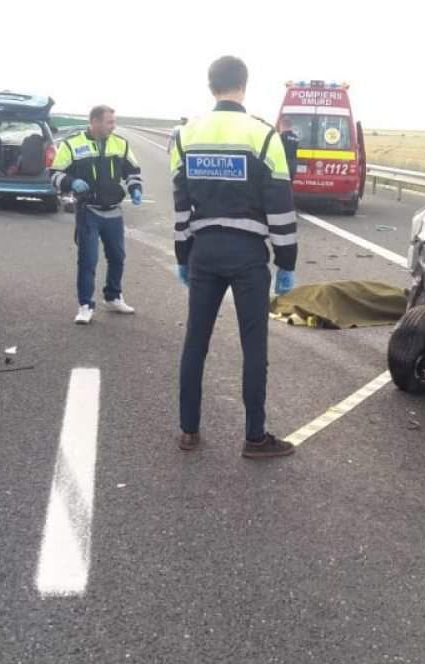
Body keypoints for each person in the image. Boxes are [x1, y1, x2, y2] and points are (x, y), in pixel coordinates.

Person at [171, 56, 298, 459]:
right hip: (247, 255)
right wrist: (286, 262)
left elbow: (180, 206)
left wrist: (183, 254)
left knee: (195, 343)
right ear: (244, 85)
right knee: (253, 347)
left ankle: (189, 431)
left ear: (211, 86)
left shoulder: (185, 135)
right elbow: (281, 207)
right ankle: (254, 438)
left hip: (204, 251)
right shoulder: (263, 136)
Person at [49, 105, 143, 325]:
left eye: (114, 122)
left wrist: (135, 188)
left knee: (117, 258)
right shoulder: (72, 145)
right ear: (95, 122)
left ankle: (113, 297)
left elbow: (133, 172)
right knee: (88, 260)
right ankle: (85, 305)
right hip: (88, 212)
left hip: (114, 212)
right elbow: (54, 174)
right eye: (109, 122)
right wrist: (71, 182)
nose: (113, 126)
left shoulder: (120, 144)